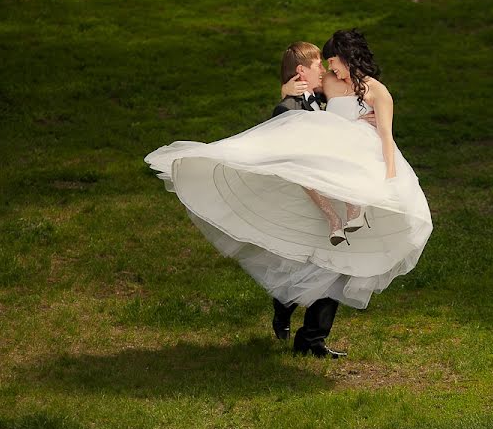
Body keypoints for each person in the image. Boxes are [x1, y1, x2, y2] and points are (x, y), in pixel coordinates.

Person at [144, 30, 432, 358]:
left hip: (352, 182)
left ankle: (311, 340)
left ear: (347, 57)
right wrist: (285, 91)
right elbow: (302, 94)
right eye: (324, 63)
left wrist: (389, 180)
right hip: (320, 180)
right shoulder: (330, 83)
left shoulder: (377, 93)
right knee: (306, 252)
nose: (327, 68)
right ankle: (284, 305)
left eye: (332, 61)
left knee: (340, 263)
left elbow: (386, 137)